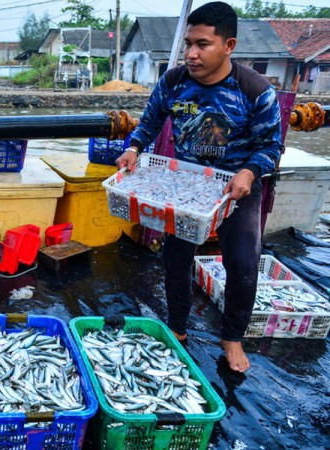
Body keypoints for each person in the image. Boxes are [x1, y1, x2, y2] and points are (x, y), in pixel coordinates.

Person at [116, 2, 282, 373]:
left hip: (237, 190)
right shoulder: (173, 81)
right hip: (186, 186)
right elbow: (151, 120)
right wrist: (133, 147)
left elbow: (271, 147)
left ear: (229, 45)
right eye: (189, 43)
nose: (191, 53)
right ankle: (177, 327)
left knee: (242, 265)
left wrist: (250, 172)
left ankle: (232, 336)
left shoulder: (255, 90)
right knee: (176, 258)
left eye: (202, 44)